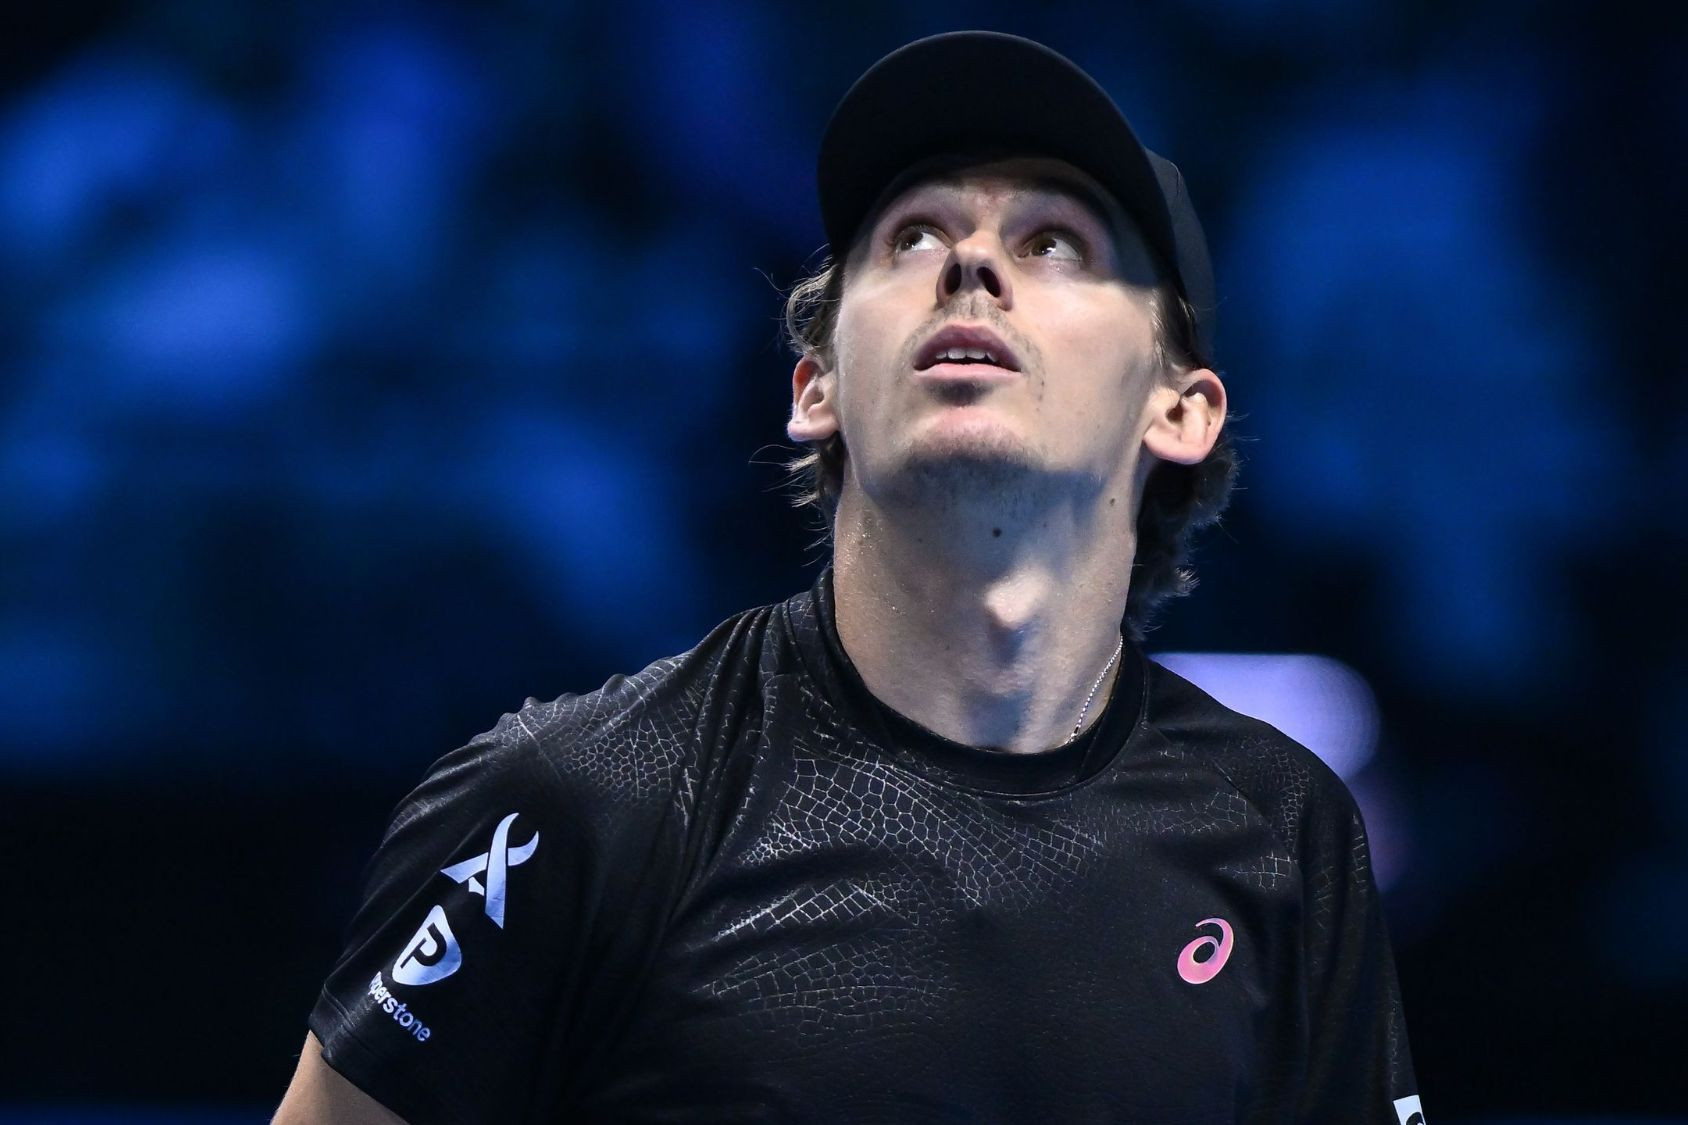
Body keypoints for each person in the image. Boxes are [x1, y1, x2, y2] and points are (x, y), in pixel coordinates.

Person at [274, 30, 1424, 1124]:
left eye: (1056, 244)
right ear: (813, 388)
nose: (968, 263)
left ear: (1177, 410)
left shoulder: (1284, 830)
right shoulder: (575, 803)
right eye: (910, 238)